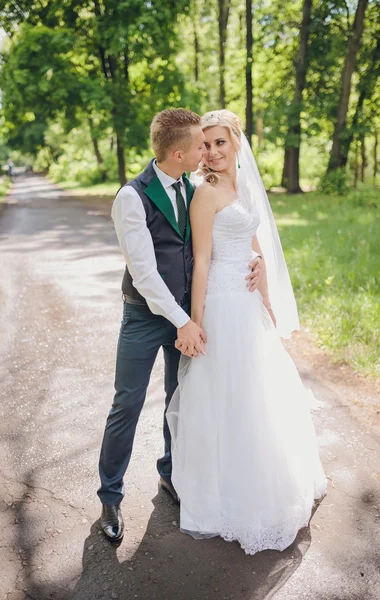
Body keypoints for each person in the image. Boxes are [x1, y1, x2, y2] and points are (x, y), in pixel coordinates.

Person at [167, 110, 328, 555]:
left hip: (249, 301)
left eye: (221, 142)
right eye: (207, 144)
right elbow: (201, 261)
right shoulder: (206, 193)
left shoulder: (246, 187)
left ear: (237, 143)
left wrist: (265, 288)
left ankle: (265, 477)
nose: (213, 152)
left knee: (259, 393)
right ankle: (226, 493)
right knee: (226, 395)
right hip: (220, 303)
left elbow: (253, 240)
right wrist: (195, 321)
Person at [97, 108, 262, 542]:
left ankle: (170, 474)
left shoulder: (194, 187)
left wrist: (254, 259)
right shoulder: (130, 198)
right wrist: (185, 321)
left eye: (212, 144)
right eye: (200, 146)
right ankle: (110, 497)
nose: (207, 151)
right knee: (126, 404)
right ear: (178, 152)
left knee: (181, 396)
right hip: (145, 316)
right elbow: (146, 274)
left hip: (186, 317)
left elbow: (220, 239)